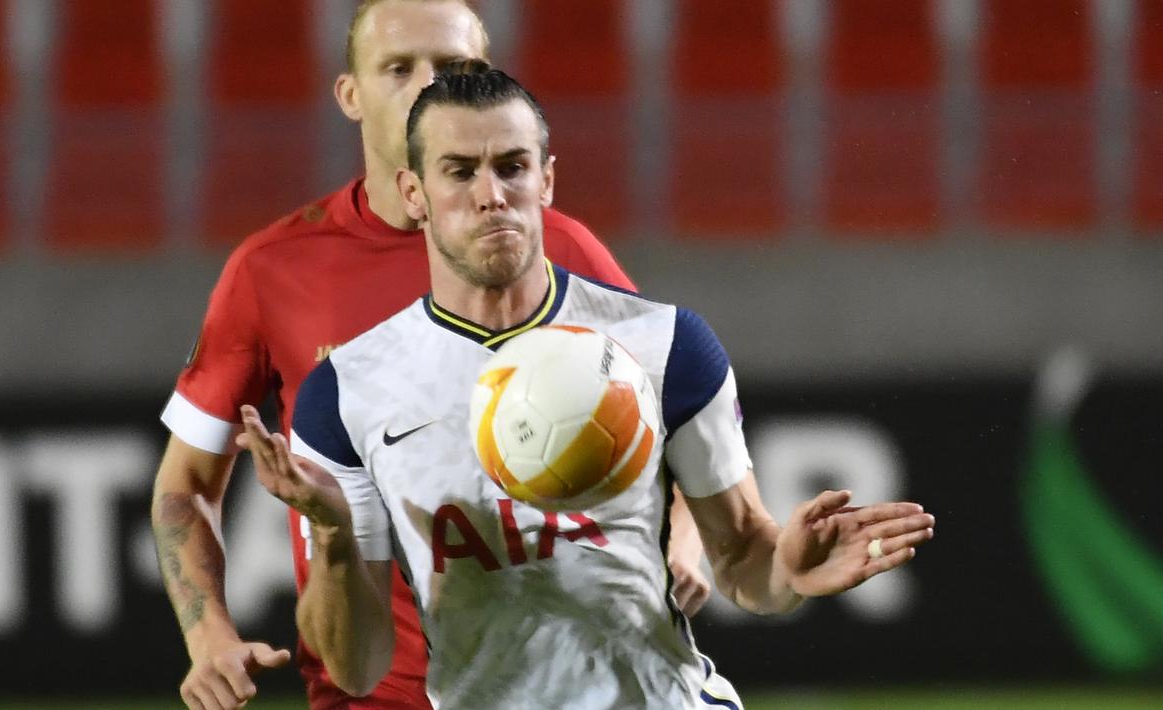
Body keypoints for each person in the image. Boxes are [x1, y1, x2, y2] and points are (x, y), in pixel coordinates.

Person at [238, 67, 936, 709]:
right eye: (460, 171)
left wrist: (786, 569)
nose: (491, 195)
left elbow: (742, 559)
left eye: (512, 167)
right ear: (414, 193)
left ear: (545, 180)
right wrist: (332, 532)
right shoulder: (349, 392)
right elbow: (355, 668)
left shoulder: (663, 344)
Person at [151, 2, 709, 709]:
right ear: (350, 95)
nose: (427, 84)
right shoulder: (272, 270)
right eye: (398, 68)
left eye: (452, 66)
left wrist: (686, 539)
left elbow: (676, 419)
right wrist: (208, 636)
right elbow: (186, 484)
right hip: (372, 691)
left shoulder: (558, 247)